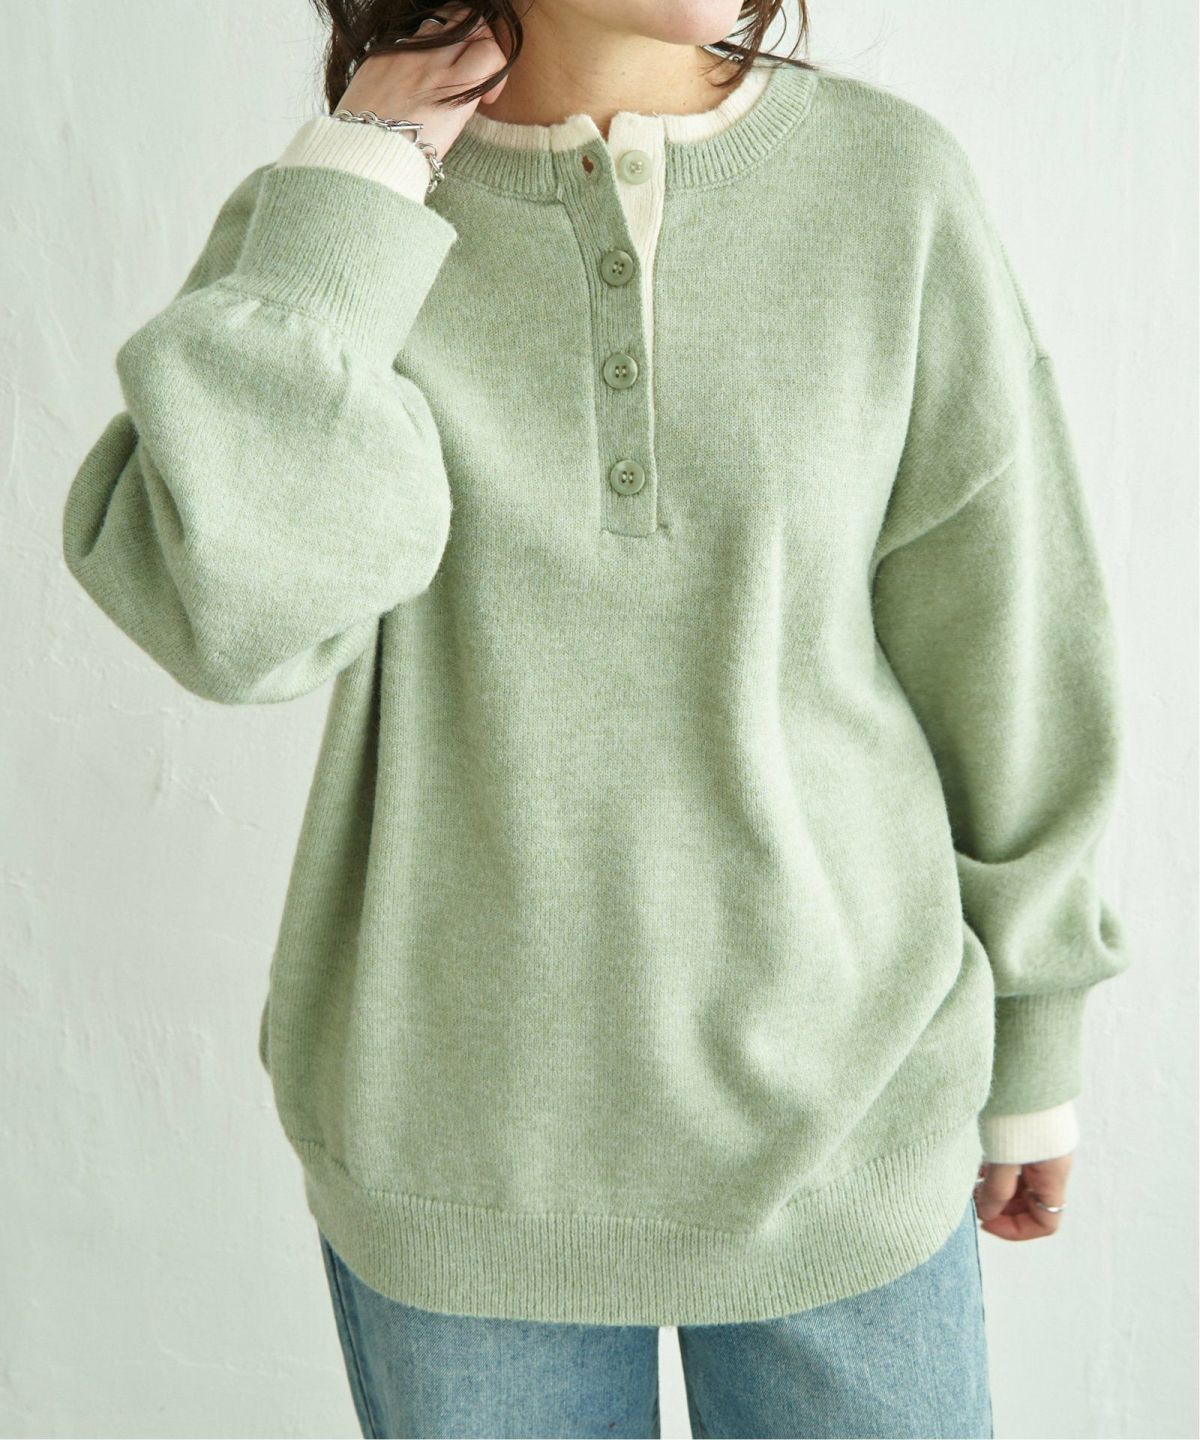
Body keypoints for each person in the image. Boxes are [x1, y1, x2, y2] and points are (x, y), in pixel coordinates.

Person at [61, 1, 1130, 1435]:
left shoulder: (890, 187)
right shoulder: (333, 225)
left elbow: (1007, 637)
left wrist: (1039, 1032)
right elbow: (234, 623)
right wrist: (355, 198)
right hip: (457, 1154)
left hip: (851, 1117)